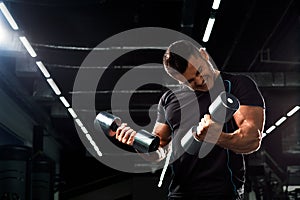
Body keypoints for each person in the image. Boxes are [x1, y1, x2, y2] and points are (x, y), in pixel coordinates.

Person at [115, 40, 265, 200]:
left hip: (223, 192)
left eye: (200, 71)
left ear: (204, 54)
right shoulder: (169, 99)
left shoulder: (236, 85)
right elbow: (159, 150)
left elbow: (252, 140)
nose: (200, 81)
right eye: (190, 81)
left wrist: (218, 137)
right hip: (180, 193)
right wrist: (138, 142)